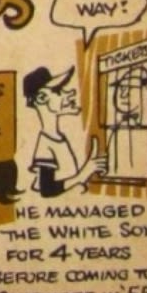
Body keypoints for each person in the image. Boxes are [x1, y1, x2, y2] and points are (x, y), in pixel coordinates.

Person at [24, 64, 103, 197]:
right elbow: (47, 190)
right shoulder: (45, 145)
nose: (70, 93)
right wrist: (83, 174)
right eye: (59, 90)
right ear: (42, 98)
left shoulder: (58, 137)